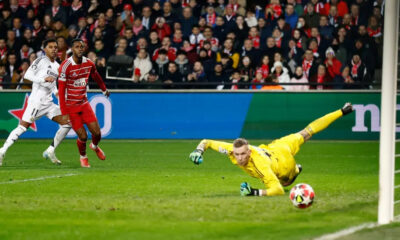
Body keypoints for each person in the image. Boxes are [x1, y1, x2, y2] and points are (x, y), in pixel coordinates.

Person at [189, 103, 354, 196]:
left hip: (283, 165)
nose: (239, 158)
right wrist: (198, 150)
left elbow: (278, 190)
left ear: (249, 152)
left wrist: (254, 192)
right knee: (306, 132)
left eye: (242, 154)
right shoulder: (231, 150)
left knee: (286, 181)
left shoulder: (260, 165)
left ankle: (296, 171)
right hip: (277, 147)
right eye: (237, 154)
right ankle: (343, 110)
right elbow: (207, 142)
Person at [0, 39, 71, 166]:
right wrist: (43, 79)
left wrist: (58, 95)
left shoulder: (57, 66)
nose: (54, 49)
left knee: (68, 123)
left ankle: (50, 150)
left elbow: (53, 85)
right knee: (22, 127)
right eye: (50, 47)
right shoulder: (40, 61)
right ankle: (2, 151)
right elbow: (28, 75)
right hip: (36, 102)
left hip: (48, 104)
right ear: (45, 49)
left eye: (55, 47)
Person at [58, 39, 110, 168]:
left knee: (97, 133)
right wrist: (64, 113)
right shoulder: (65, 66)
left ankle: (94, 146)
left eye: (82, 47)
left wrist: (104, 89)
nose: (80, 49)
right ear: (72, 49)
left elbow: (96, 75)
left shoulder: (89, 63)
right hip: (71, 107)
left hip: (84, 103)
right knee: (83, 136)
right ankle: (83, 157)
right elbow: (61, 90)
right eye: (77, 47)